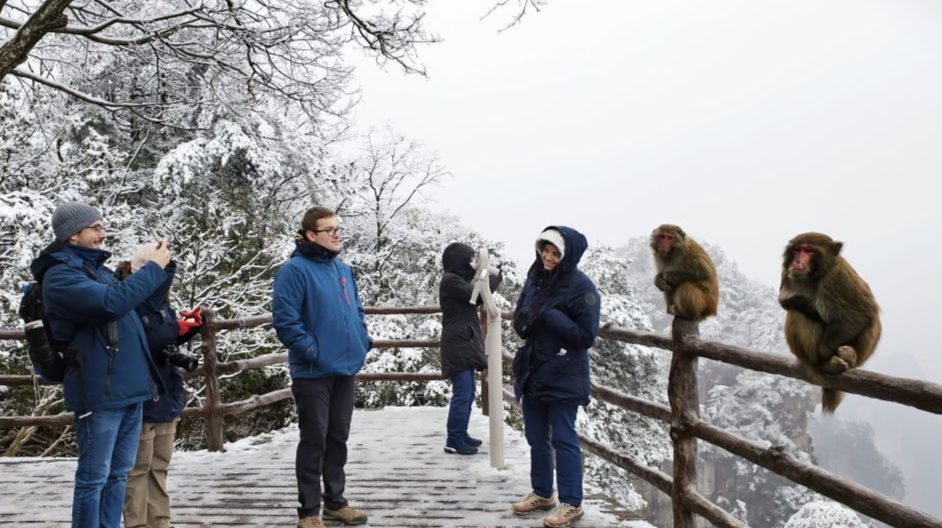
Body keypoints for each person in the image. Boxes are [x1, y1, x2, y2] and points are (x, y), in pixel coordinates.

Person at [29, 202, 171, 528]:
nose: (102, 234)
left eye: (101, 226)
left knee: (118, 475)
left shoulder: (97, 270)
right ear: (73, 234)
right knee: (94, 478)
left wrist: (159, 266)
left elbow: (141, 302)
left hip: (128, 387)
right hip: (99, 389)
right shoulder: (60, 275)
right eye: (95, 228)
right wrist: (151, 269)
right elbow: (112, 303)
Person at [272, 207, 373, 528]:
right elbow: (286, 322)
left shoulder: (342, 268)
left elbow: (356, 310)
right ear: (310, 235)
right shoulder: (294, 271)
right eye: (329, 230)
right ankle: (309, 512)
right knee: (314, 440)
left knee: (338, 438)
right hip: (313, 371)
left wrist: (362, 339)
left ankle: (335, 503)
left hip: (345, 368)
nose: (336, 233)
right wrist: (312, 352)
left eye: (337, 228)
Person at [510, 226, 601, 528]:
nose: (548, 257)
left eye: (555, 253)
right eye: (545, 250)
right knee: (536, 436)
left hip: (563, 372)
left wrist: (551, 316)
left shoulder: (582, 287)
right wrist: (523, 318)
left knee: (563, 438)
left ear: (567, 255)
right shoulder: (536, 277)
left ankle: (572, 503)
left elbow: (586, 336)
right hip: (534, 368)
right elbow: (520, 317)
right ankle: (542, 493)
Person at [119, 244, 203, 528]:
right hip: (143, 396)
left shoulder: (163, 307)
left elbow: (162, 343)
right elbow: (141, 344)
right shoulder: (128, 305)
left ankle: (160, 521)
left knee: (159, 466)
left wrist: (185, 330)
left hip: (166, 394)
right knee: (138, 468)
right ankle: (137, 523)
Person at [438, 242, 502, 455]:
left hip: (462, 342)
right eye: (470, 258)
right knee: (463, 393)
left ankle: (460, 433)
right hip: (457, 344)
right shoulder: (451, 281)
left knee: (468, 392)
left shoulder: (456, 279)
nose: (472, 263)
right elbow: (478, 295)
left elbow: (476, 292)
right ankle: (454, 439)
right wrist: (494, 277)